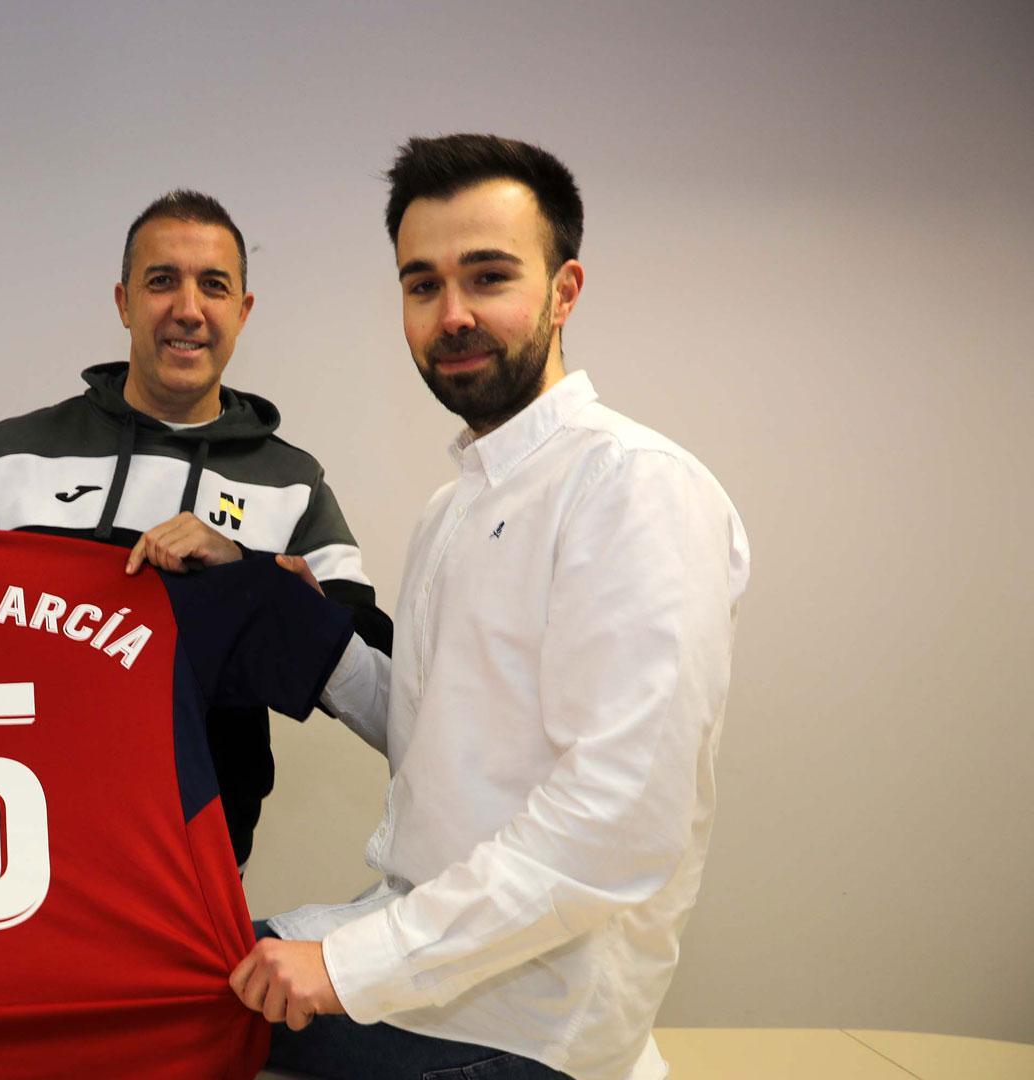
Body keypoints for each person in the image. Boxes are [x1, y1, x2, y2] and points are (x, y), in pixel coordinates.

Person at [230, 135, 751, 1080]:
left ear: (564, 290)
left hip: (525, 1028)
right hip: (427, 963)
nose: (454, 314)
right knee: (159, 967)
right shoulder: (454, 508)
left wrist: (347, 967)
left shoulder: (634, 487)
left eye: (489, 277)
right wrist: (289, 615)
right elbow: (441, 743)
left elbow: (615, 825)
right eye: (422, 285)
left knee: (155, 1009)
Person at [0, 190, 393, 867]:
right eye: (162, 281)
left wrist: (244, 568)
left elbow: (371, 672)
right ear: (124, 302)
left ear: (243, 311)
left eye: (214, 286)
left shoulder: (293, 483)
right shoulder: (15, 453)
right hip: (16, 855)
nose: (188, 309)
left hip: (189, 871)